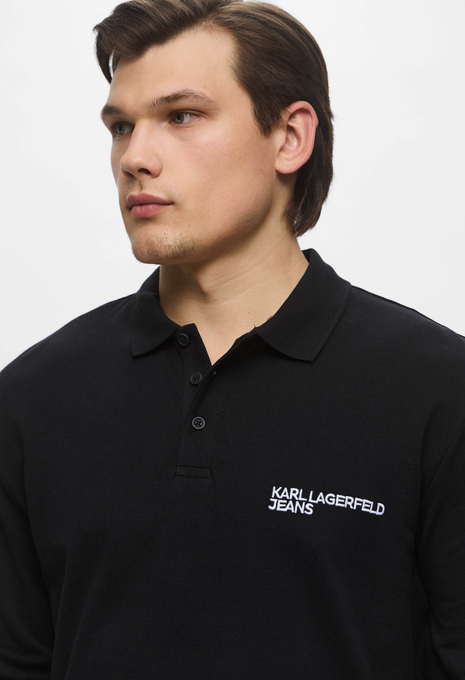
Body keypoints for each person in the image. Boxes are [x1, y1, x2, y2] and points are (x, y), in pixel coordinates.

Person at [0, 0, 464, 677]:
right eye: (121, 126)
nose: (135, 158)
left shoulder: (439, 390)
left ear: (289, 138)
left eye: (181, 116)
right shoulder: (31, 397)